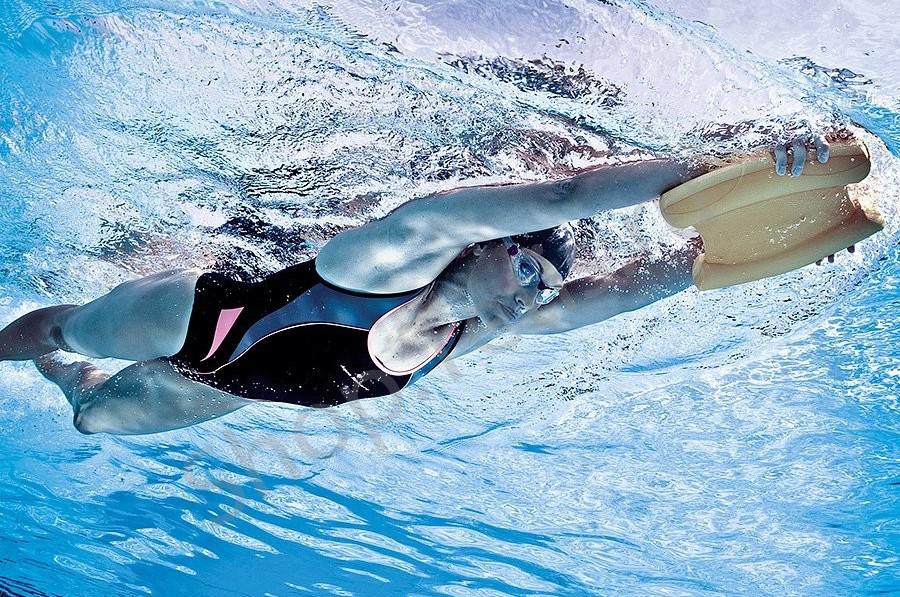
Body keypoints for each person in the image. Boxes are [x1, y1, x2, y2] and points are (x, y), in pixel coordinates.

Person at [0, 135, 846, 435]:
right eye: (525, 265)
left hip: (233, 387)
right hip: (199, 320)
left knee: (92, 416)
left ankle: (67, 376)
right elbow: (564, 197)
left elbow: (630, 286)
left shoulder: (487, 325)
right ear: (487, 246)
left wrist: (764, 238)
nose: (532, 292)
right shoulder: (395, 253)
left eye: (545, 284)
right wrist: (721, 166)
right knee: (63, 327)